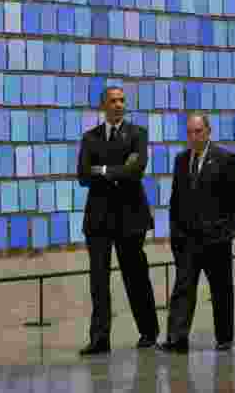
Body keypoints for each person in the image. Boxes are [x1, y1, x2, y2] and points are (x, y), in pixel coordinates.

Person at [76, 86, 159, 355]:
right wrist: (116, 171)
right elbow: (82, 175)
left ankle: (148, 331)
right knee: (98, 282)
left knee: (136, 277)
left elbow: (134, 170)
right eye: (113, 101)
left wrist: (102, 170)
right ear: (103, 106)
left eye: (122, 101)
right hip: (99, 219)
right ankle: (100, 339)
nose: (118, 105)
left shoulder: (137, 134)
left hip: (130, 217)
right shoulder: (90, 138)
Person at [161, 114, 235, 353]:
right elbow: (176, 200)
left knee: (221, 290)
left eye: (198, 131)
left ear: (208, 131)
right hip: (187, 239)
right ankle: (176, 339)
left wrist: (232, 230)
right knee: (182, 289)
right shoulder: (181, 160)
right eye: (190, 132)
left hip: (216, 239)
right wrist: (175, 233)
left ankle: (224, 338)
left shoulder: (224, 158)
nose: (194, 136)